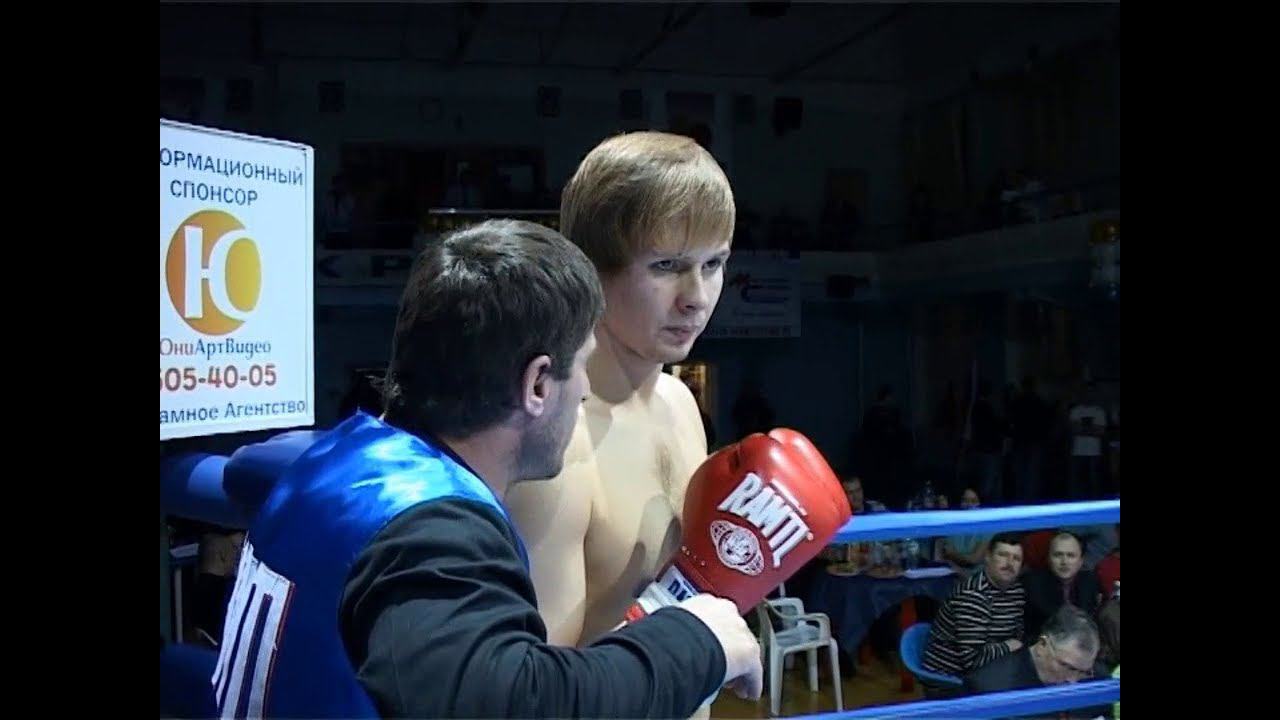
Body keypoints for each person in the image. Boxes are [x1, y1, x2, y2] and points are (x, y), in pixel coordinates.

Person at [210, 220, 762, 718]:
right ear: (538, 383)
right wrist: (697, 641)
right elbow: (517, 704)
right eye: (582, 366)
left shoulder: (333, 462)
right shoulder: (429, 531)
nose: (585, 390)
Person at [505, 131, 738, 652]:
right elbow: (545, 683)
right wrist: (697, 647)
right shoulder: (559, 448)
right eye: (666, 266)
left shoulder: (681, 403)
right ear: (589, 269)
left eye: (713, 264)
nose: (696, 297)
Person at [923, 533, 1027, 679]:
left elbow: (1016, 636)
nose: (1010, 563)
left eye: (1016, 558)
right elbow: (972, 660)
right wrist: (1008, 646)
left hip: (992, 667)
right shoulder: (973, 595)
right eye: (1003, 555)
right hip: (951, 676)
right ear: (988, 557)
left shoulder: (1016, 591)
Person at [964, 605, 1101, 695]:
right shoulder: (990, 688)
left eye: (1083, 672)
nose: (1073, 681)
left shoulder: (1099, 679)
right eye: (1068, 667)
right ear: (1042, 645)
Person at [1022, 532, 1101, 642]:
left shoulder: (1089, 581)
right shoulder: (1033, 582)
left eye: (1071, 556)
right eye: (1058, 555)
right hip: (1045, 642)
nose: (1064, 562)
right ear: (1049, 559)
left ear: (1081, 561)